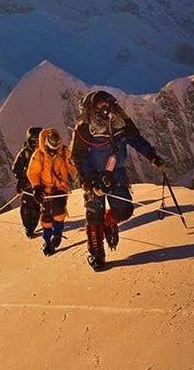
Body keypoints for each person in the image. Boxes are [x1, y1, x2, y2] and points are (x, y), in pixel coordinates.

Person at [70, 90, 165, 271]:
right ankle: (96, 254)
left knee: (124, 210)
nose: (106, 107)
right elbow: (77, 156)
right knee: (93, 215)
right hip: (93, 176)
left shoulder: (121, 120)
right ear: (92, 108)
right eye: (101, 104)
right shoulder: (84, 127)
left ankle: (110, 221)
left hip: (116, 173)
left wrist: (152, 156)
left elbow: (136, 140)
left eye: (107, 103)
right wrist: (88, 180)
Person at [27, 127, 76, 256]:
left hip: (60, 188)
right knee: (47, 217)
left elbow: (72, 166)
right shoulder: (39, 155)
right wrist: (36, 187)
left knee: (59, 214)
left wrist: (80, 177)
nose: (54, 151)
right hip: (45, 189)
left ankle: (57, 235)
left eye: (56, 148)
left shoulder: (64, 152)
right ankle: (47, 241)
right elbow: (33, 172)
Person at [12, 127, 43, 237]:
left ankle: (51, 223)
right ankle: (29, 227)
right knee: (28, 206)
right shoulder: (25, 152)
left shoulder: (45, 151)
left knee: (45, 205)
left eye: (38, 140)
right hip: (28, 184)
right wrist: (21, 180)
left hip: (43, 183)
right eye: (33, 141)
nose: (36, 143)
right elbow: (16, 168)